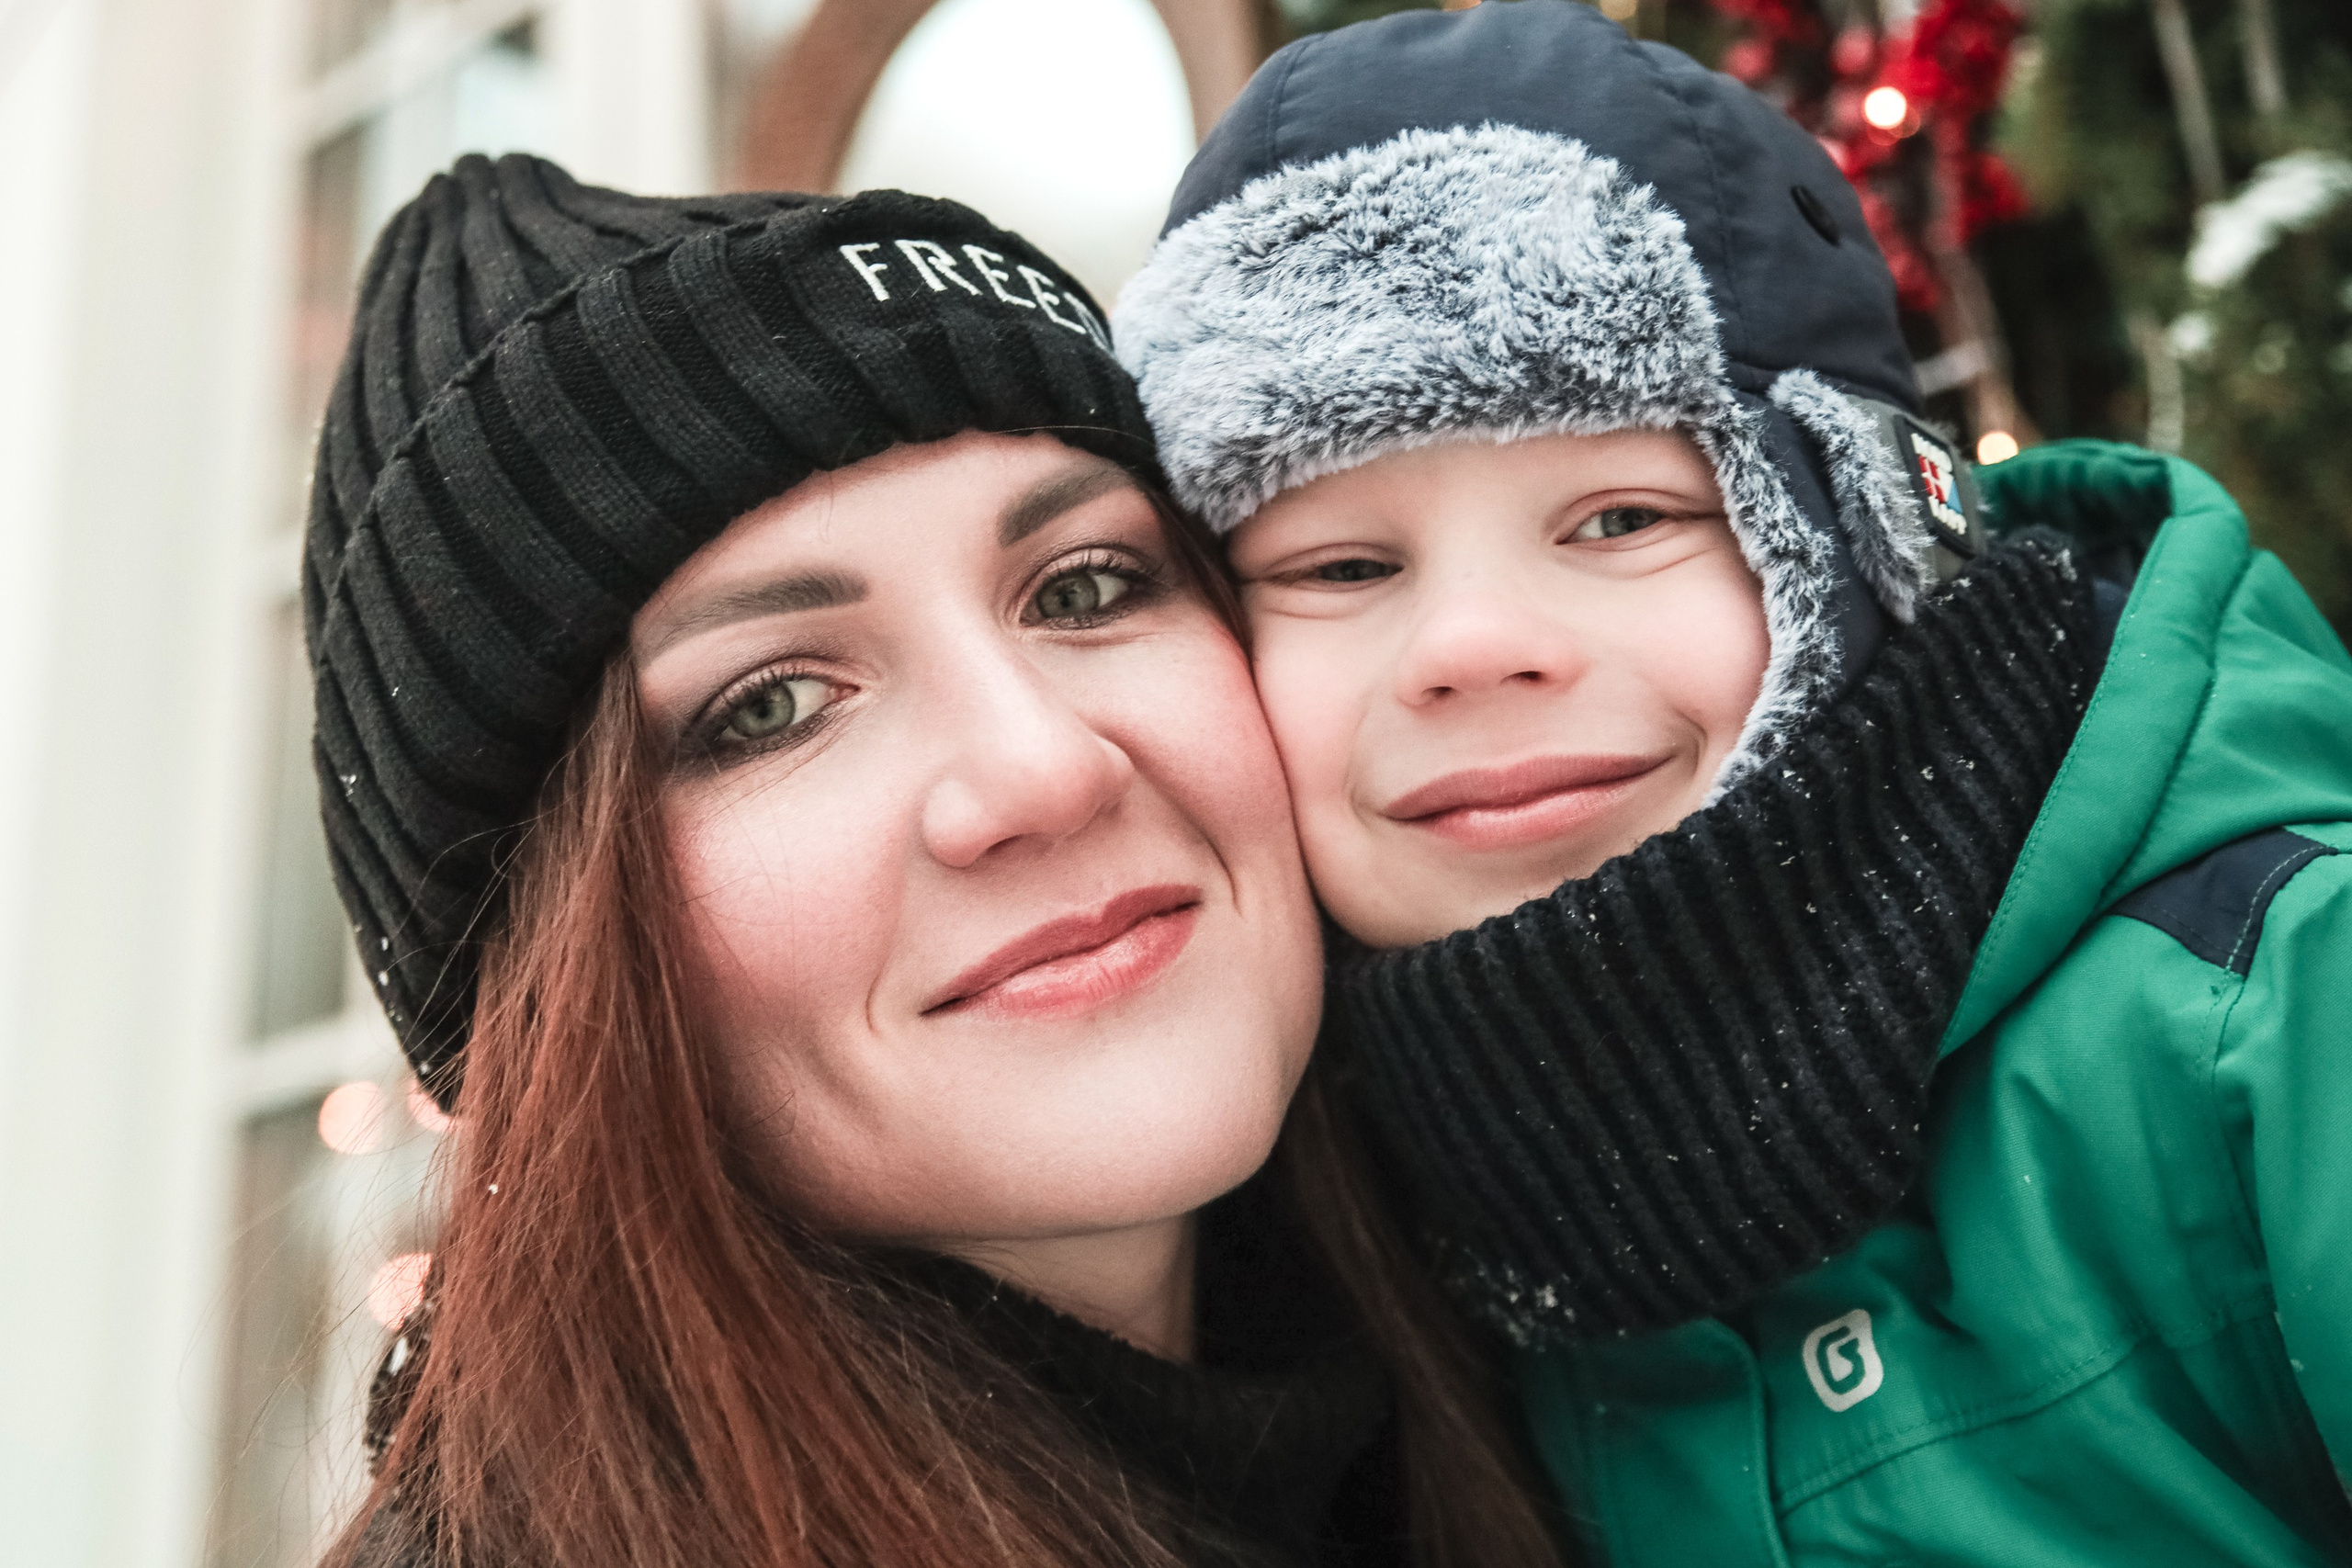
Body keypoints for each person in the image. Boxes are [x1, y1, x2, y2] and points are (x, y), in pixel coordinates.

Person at [1114, 3, 2352, 1564]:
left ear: (1862, 536)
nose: (1473, 646)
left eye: (1624, 520)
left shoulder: (2282, 1008)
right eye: (1341, 565)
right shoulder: (1309, 1192)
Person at [304, 153, 1566, 1568]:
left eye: (1086, 587)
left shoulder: (1578, 1388)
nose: (1044, 768)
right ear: (539, 987)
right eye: (769, 704)